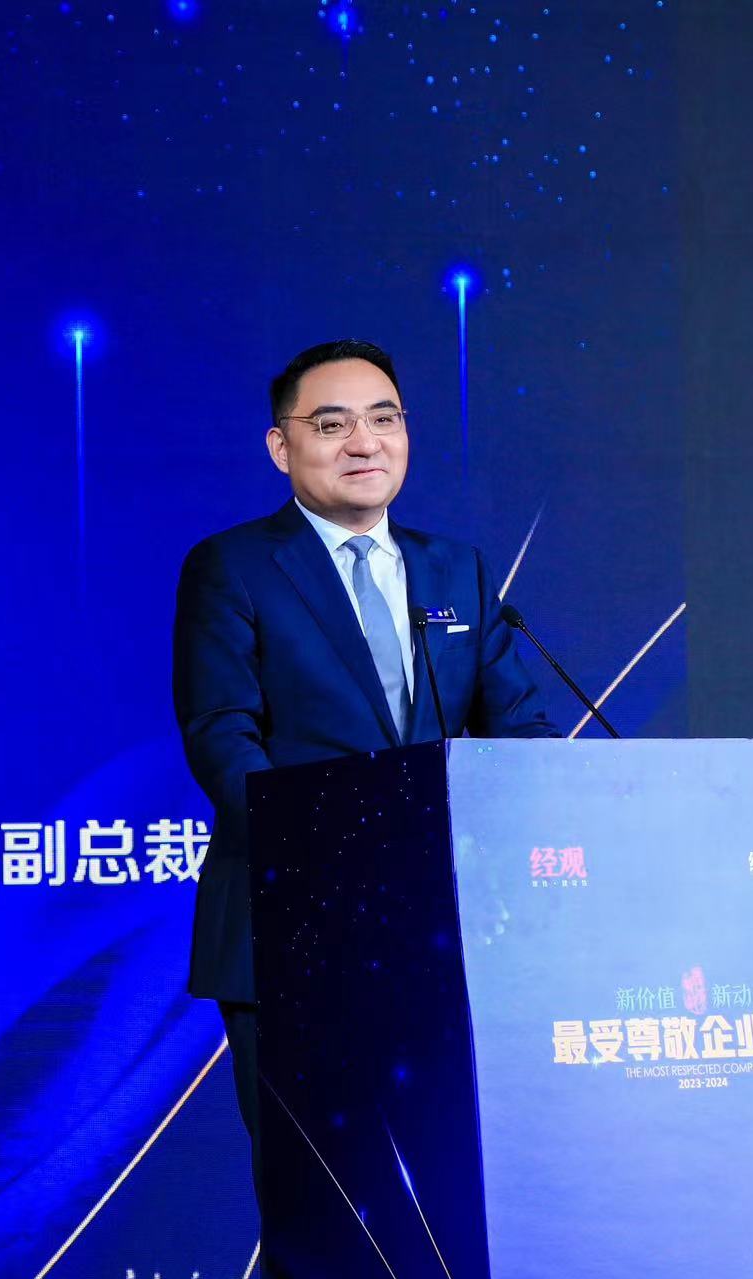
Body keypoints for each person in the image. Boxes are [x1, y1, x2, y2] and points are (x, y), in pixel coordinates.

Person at [171, 338, 558, 1209]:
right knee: (326, 1207)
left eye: (384, 420)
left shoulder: (455, 569)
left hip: (442, 936)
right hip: (298, 929)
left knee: (449, 1202)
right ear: (282, 447)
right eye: (332, 424)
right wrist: (334, 858)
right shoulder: (232, 567)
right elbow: (223, 737)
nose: (364, 443)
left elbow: (520, 729)